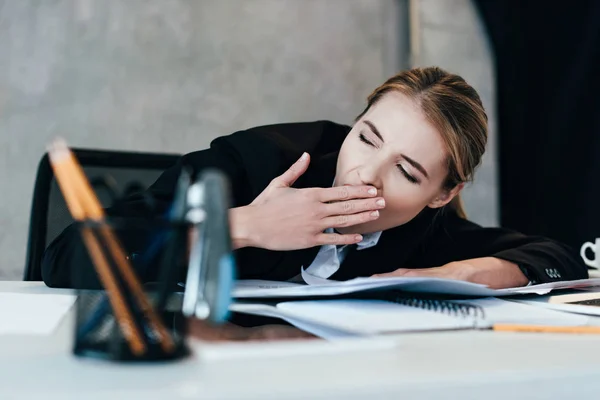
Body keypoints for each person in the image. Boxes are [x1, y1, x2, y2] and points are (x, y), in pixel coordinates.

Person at [42, 66, 588, 291]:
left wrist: (463, 272)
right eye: (368, 138)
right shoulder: (257, 160)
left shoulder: (426, 228)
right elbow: (67, 254)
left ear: (442, 195)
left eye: (406, 171)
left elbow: (557, 258)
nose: (366, 176)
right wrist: (243, 225)